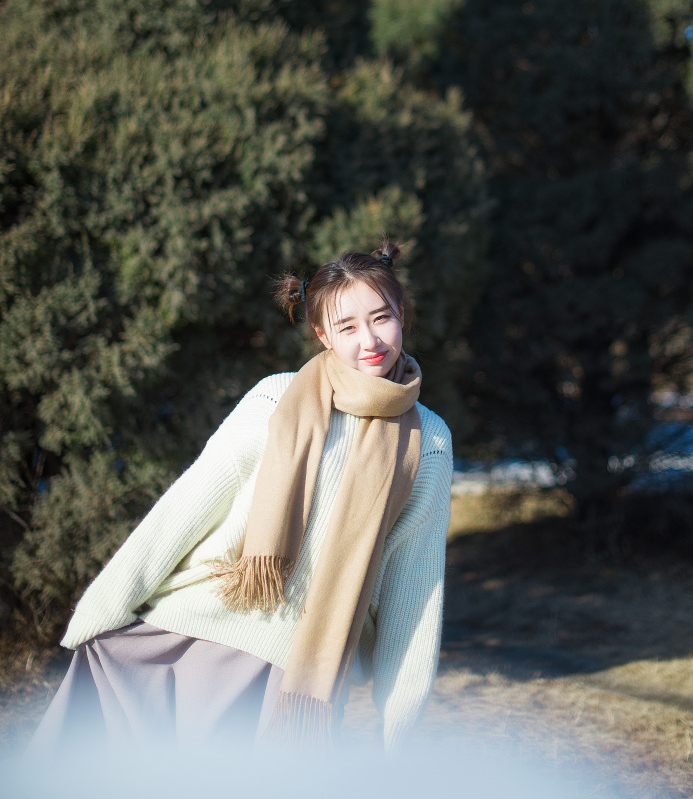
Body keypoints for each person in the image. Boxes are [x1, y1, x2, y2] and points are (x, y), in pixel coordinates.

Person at [30, 241, 452, 754]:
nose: (370, 340)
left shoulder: (429, 440)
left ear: (402, 313)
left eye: (381, 318)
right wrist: (102, 609)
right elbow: (188, 507)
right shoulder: (276, 397)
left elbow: (415, 579)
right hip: (186, 636)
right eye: (347, 327)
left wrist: (399, 720)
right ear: (322, 335)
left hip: (296, 677)